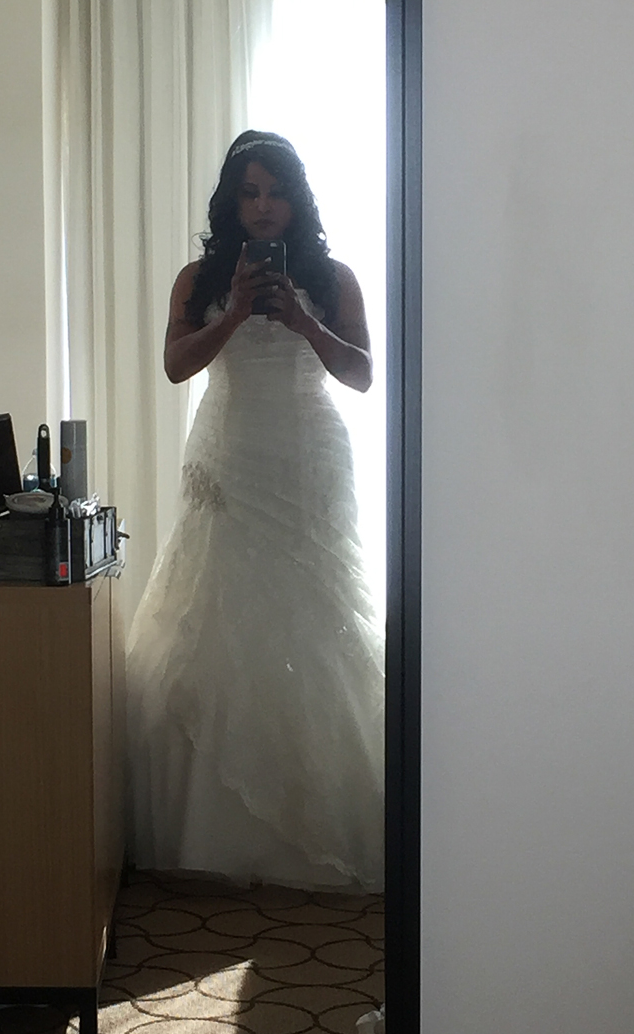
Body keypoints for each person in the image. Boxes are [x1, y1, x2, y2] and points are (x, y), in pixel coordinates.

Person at [125, 130, 384, 893]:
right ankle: (212, 841)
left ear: (296, 200)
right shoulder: (198, 279)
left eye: (276, 192)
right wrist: (234, 312)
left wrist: (303, 322)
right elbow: (175, 366)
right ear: (231, 203)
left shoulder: (332, 278)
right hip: (229, 455)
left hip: (309, 460)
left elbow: (364, 375)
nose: (264, 206)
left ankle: (319, 831)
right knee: (217, 617)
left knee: (313, 620)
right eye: (250, 192)